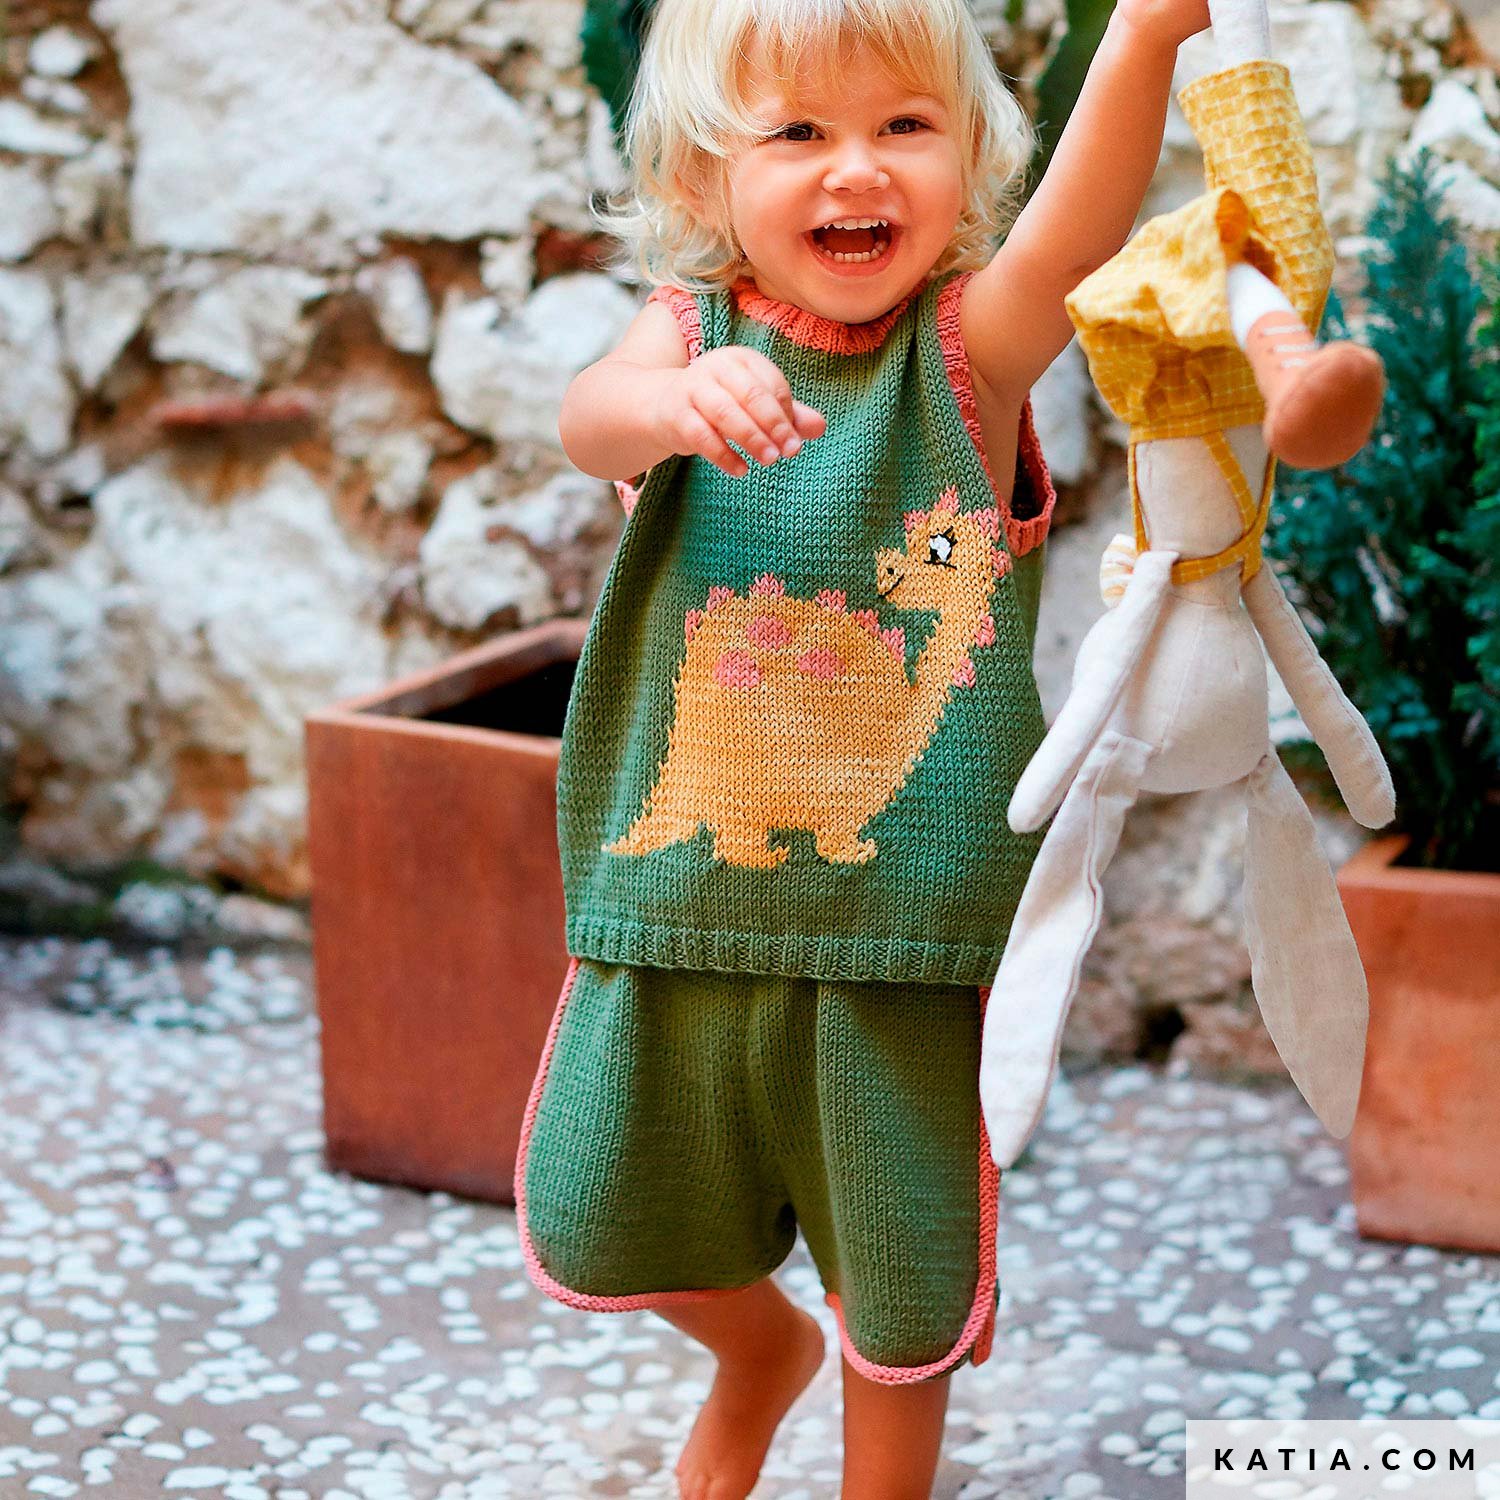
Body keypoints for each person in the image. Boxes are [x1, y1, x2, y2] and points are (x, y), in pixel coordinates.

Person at [510, 0, 1352, 1491]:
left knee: (896, 1284)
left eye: (906, 126)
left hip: (902, 930)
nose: (860, 169)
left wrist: (1148, 37)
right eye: (800, 132)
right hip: (681, 913)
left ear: (968, 158)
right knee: (594, 1207)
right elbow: (590, 420)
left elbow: (1078, 233)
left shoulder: (967, 360)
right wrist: (668, 401)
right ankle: (750, 1353)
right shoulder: (687, 329)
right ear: (707, 179)